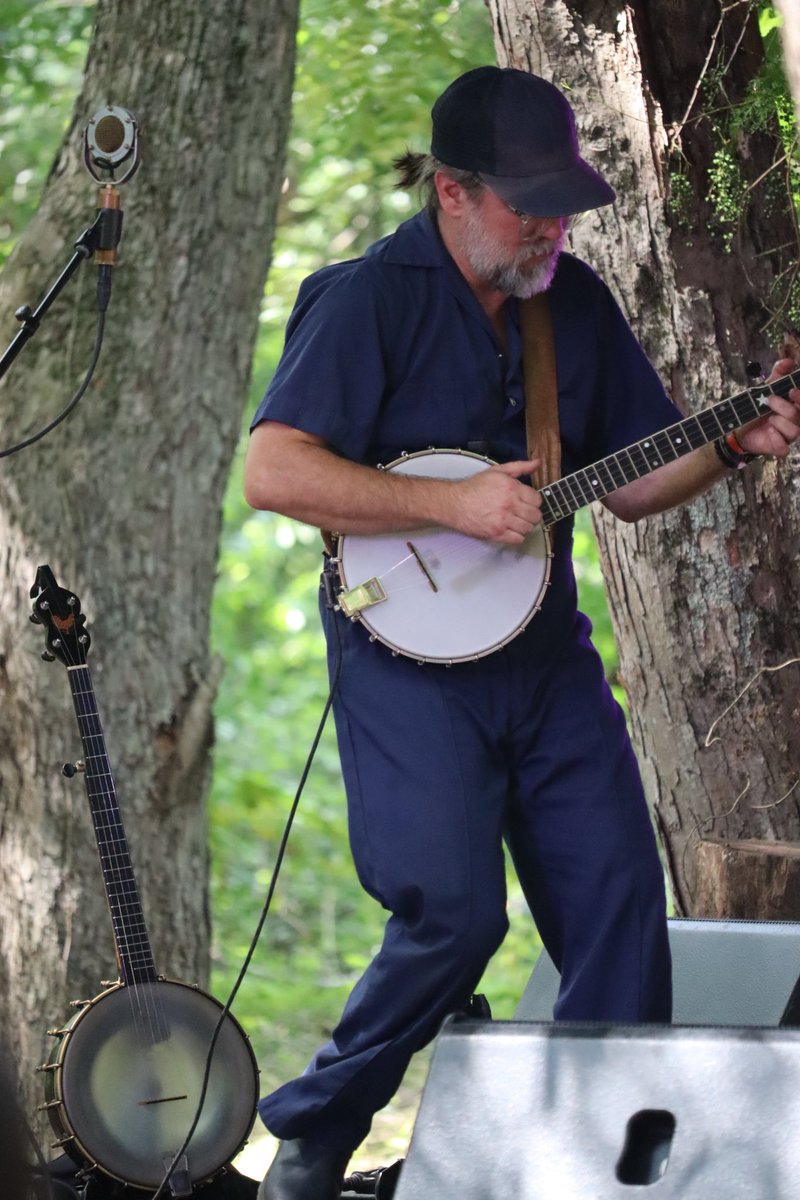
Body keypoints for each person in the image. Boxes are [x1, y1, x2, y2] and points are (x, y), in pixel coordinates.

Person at [243, 66, 800, 1200]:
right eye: (526, 202)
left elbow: (635, 485)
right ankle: (315, 1131)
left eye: (561, 200)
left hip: (542, 657)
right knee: (450, 912)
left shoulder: (570, 303)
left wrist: (734, 439)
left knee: (616, 906)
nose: (550, 223)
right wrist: (451, 504)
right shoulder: (364, 299)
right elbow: (272, 471)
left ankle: (599, 1166)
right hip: (404, 663)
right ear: (451, 191)